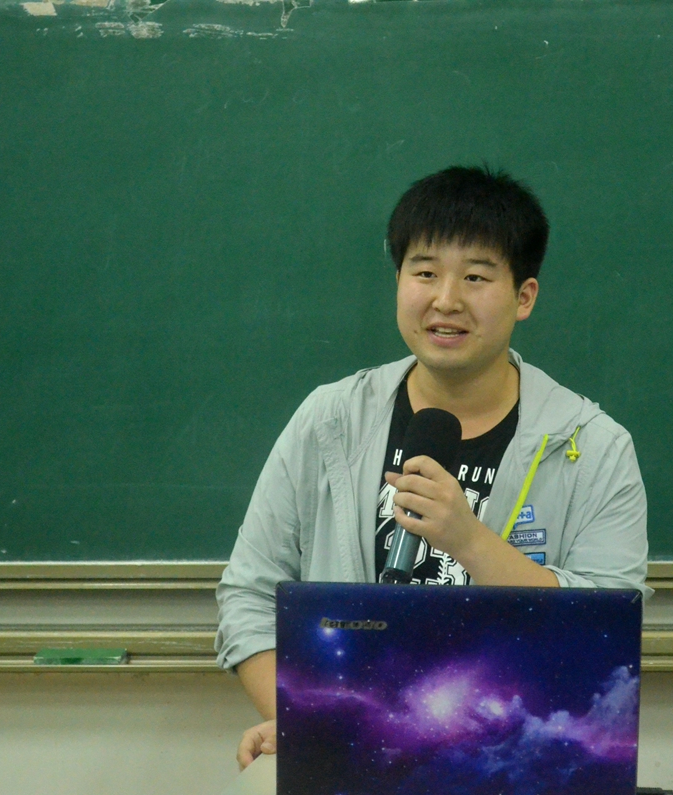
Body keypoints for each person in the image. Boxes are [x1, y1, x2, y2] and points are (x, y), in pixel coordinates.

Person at [215, 165, 651, 769]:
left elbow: (605, 634)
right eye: (424, 273)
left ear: (524, 296)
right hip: (346, 760)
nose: (446, 300)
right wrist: (307, 723)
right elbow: (249, 595)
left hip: (517, 766)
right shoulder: (330, 420)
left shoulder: (595, 447)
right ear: (399, 281)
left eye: (476, 277)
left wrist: (468, 540)